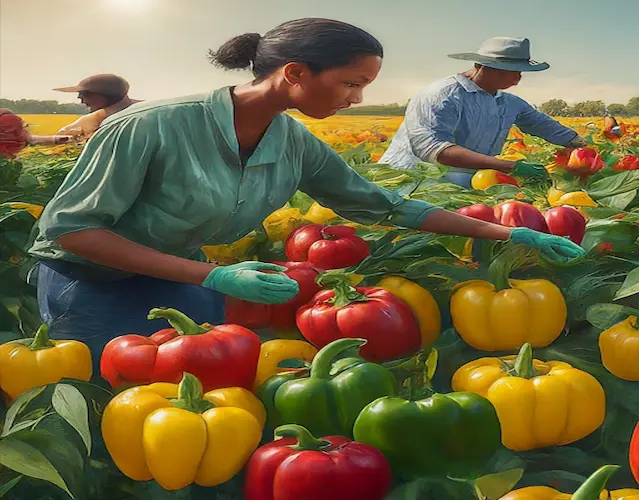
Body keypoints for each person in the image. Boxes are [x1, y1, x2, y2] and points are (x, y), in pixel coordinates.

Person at [26, 19, 585, 365]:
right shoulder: (154, 125)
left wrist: (507, 231)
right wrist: (213, 275)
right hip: (91, 280)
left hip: (181, 271)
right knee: (112, 397)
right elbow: (73, 230)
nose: (357, 99)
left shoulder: (292, 139)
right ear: (295, 72)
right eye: (350, 84)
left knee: (198, 383)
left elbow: (382, 204)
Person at [379, 37, 586, 188]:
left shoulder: (508, 102)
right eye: (508, 70)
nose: (517, 78)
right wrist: (511, 166)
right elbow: (436, 150)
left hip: (467, 178)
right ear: (481, 66)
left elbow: (542, 124)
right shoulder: (443, 95)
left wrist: (583, 146)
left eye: (519, 71)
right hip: (410, 179)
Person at [53, 74, 141, 139]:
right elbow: (62, 135)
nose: (80, 98)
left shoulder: (96, 118)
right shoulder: (92, 119)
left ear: (103, 95)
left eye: (85, 94)